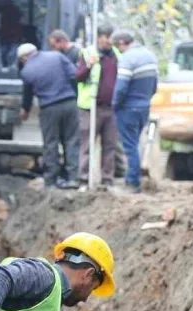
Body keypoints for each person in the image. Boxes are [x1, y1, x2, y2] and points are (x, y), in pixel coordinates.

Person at [19, 43, 81, 189]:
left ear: (24, 58)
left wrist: (25, 110)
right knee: (71, 140)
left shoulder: (27, 71)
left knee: (50, 143)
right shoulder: (57, 56)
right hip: (70, 103)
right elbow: (74, 75)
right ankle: (72, 178)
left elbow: (27, 95)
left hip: (49, 108)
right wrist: (74, 96)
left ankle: (51, 181)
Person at [111, 30, 159, 194]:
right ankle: (132, 180)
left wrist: (115, 104)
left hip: (128, 108)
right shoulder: (150, 56)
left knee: (130, 146)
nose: (118, 50)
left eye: (118, 47)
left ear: (122, 43)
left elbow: (121, 87)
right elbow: (154, 85)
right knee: (135, 143)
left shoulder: (127, 58)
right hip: (144, 107)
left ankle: (132, 183)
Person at [75, 25, 119, 188]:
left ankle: (107, 180)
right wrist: (89, 66)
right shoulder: (87, 54)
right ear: (99, 37)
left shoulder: (117, 56)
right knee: (87, 145)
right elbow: (78, 76)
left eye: (112, 38)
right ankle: (83, 180)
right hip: (90, 107)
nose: (110, 41)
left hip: (111, 108)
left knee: (109, 145)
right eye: (107, 37)